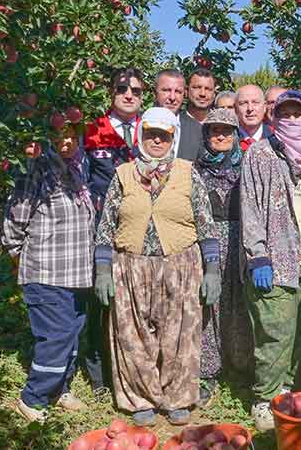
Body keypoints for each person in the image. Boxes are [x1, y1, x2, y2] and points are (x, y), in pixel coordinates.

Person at [94, 107, 221, 427]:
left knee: (179, 336)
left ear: (172, 139)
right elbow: (106, 226)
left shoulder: (188, 173)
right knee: (133, 335)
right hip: (131, 266)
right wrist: (103, 270)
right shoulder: (123, 174)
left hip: (180, 266)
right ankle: (141, 398)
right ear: (140, 136)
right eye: (150, 134)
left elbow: (206, 225)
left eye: (163, 136)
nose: (156, 141)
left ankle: (178, 397)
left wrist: (212, 269)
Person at [240, 90, 301, 431]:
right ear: (273, 117)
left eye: (297, 113)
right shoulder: (261, 153)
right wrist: (257, 255)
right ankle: (264, 398)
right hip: (276, 261)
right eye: (284, 113)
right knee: (275, 333)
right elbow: (249, 206)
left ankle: (285, 386)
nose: (291, 119)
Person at [2, 122, 95, 423]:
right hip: (46, 271)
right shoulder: (37, 169)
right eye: (58, 135)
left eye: (71, 134)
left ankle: (59, 389)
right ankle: (33, 397)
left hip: (76, 273)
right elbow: (15, 219)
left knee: (72, 333)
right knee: (56, 336)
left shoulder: (76, 168)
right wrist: (18, 256)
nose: (66, 141)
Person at [82, 67, 145, 391]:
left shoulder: (151, 129)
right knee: (101, 298)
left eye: (136, 90)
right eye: (122, 88)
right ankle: (99, 372)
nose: (129, 94)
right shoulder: (93, 129)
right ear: (110, 92)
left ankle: (131, 369)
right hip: (101, 227)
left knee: (134, 299)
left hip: (139, 227)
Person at [193, 108, 253, 400]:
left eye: (226, 131)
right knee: (209, 306)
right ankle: (208, 371)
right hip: (207, 245)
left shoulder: (248, 167)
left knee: (241, 304)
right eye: (214, 130)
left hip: (242, 243)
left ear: (236, 135)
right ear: (206, 134)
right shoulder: (195, 170)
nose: (220, 136)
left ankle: (241, 368)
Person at [154, 68, 203, 161]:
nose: (172, 97)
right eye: (166, 90)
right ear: (154, 92)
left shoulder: (198, 131)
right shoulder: (140, 123)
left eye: (178, 92)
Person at [235, 84, 273, 151]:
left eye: (255, 102)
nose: (250, 108)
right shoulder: (227, 140)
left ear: (264, 107)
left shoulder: (276, 137)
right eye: (244, 103)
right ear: (236, 109)